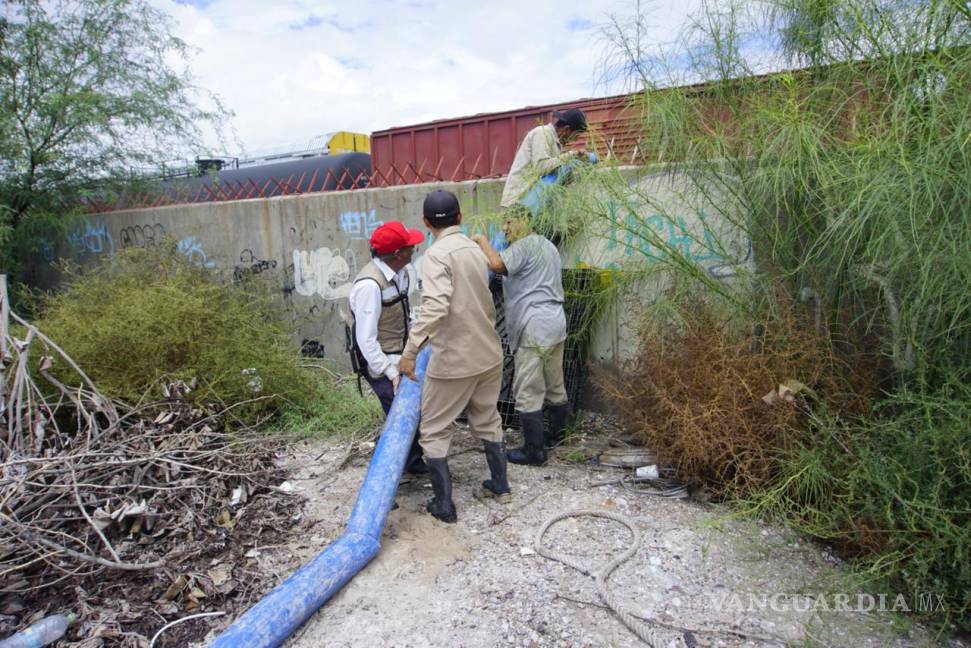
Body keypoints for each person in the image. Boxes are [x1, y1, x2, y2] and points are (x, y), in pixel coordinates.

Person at [398, 190, 510, 523]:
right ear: (460, 217)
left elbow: (434, 307)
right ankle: (499, 485)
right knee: (488, 419)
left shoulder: (434, 256)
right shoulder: (476, 250)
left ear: (426, 223)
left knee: (433, 430)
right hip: (488, 354)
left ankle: (444, 506)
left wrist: (409, 352)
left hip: (454, 361)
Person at [472, 215, 569, 466]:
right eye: (503, 223)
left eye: (510, 222)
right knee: (555, 384)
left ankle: (534, 452)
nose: (504, 229)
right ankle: (556, 437)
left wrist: (481, 240)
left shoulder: (524, 246)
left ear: (527, 221)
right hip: (555, 321)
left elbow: (495, 264)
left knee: (528, 390)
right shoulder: (548, 246)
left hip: (534, 325)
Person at [348, 220, 427, 474]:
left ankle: (411, 463)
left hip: (400, 353)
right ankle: (381, 476)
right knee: (399, 417)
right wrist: (390, 372)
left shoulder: (401, 274)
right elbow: (366, 340)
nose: (413, 249)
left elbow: (403, 314)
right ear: (396, 254)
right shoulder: (369, 286)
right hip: (380, 361)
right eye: (408, 247)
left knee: (409, 412)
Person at [499, 107, 588, 209]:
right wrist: (571, 155)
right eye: (575, 135)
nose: (574, 140)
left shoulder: (555, 142)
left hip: (533, 203)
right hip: (518, 201)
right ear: (566, 129)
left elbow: (553, 171)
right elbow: (542, 167)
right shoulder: (542, 133)